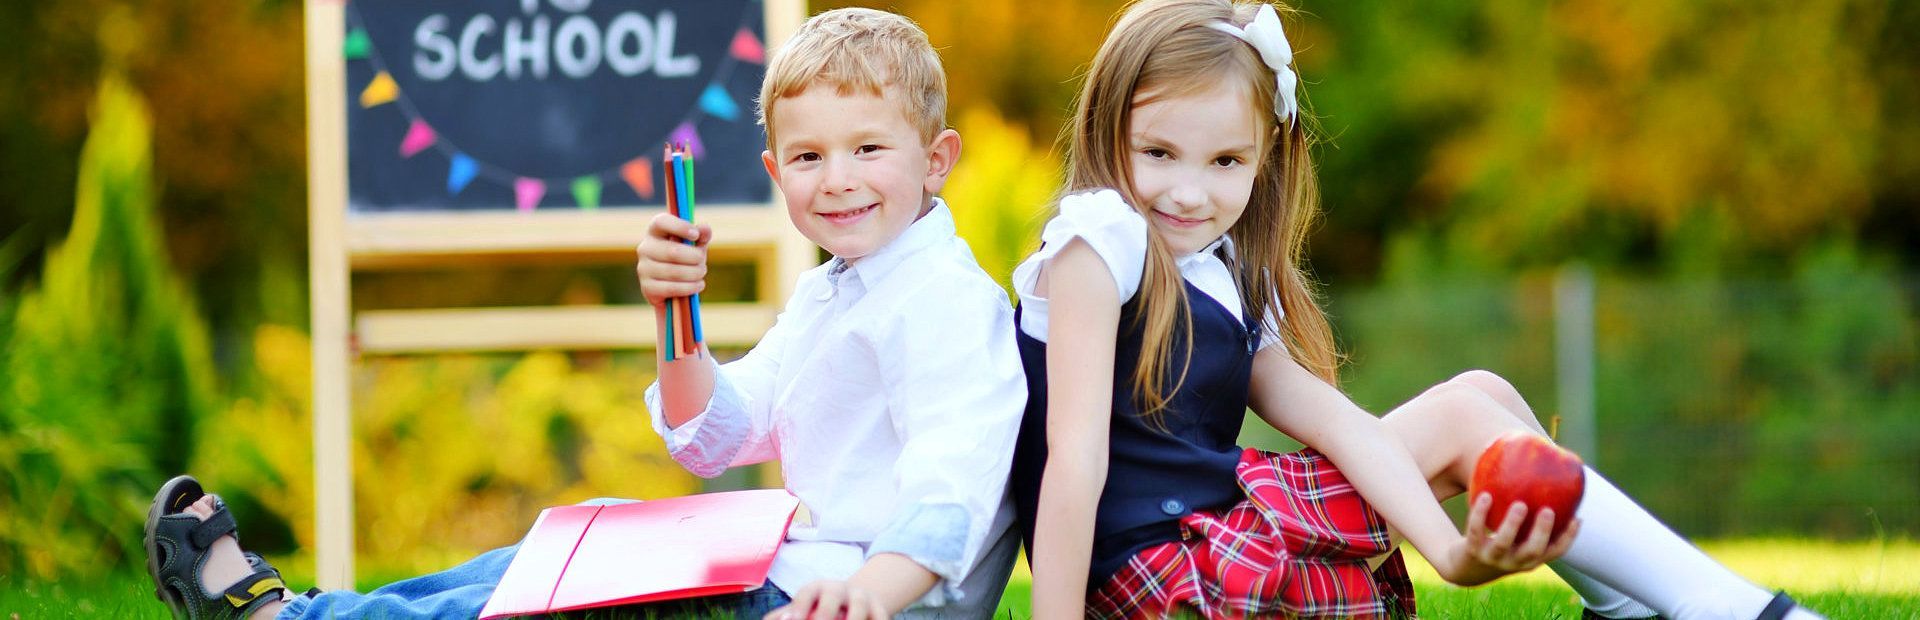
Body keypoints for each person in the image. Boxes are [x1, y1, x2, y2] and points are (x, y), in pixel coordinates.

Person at [142, 8, 1026, 619]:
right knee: (536, 561)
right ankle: (299, 611)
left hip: (844, 599)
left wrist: (875, 590)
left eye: (867, 148)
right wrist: (673, 311)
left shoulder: (944, 301)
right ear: (773, 172)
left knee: (546, 598)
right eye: (807, 156)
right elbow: (716, 437)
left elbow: (955, 482)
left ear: (937, 159)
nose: (836, 178)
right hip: (784, 566)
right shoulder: (833, 289)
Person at [1007, 1, 1823, 618]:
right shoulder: (1097, 242)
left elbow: (1339, 424)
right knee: (1471, 415)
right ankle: (1738, 612)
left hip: (1206, 543)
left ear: (1265, 161)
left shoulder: (1220, 275)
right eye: (1159, 153)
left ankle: (1629, 609)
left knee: (1486, 396)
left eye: (1226, 160)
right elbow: (1073, 459)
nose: (1190, 190)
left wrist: (1450, 550)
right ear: (1107, 129)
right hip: (1153, 579)